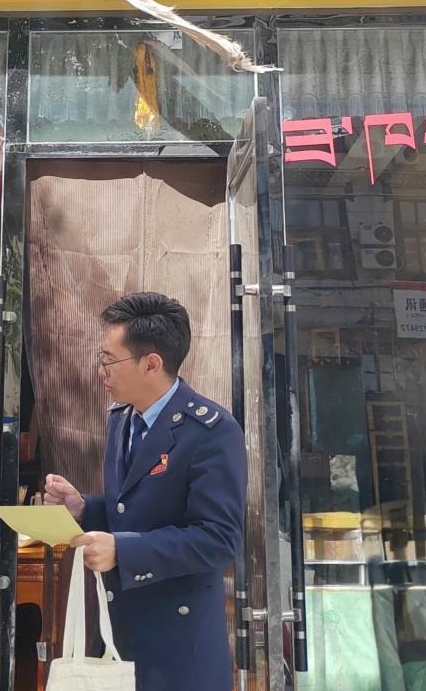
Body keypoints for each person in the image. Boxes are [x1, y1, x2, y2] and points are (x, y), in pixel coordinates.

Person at [44, 291, 247, 691]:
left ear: (151, 364)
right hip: (119, 634)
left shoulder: (211, 431)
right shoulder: (122, 419)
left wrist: (123, 551)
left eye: (108, 359)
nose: (101, 371)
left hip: (178, 648)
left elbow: (220, 538)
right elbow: (129, 512)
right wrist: (84, 508)